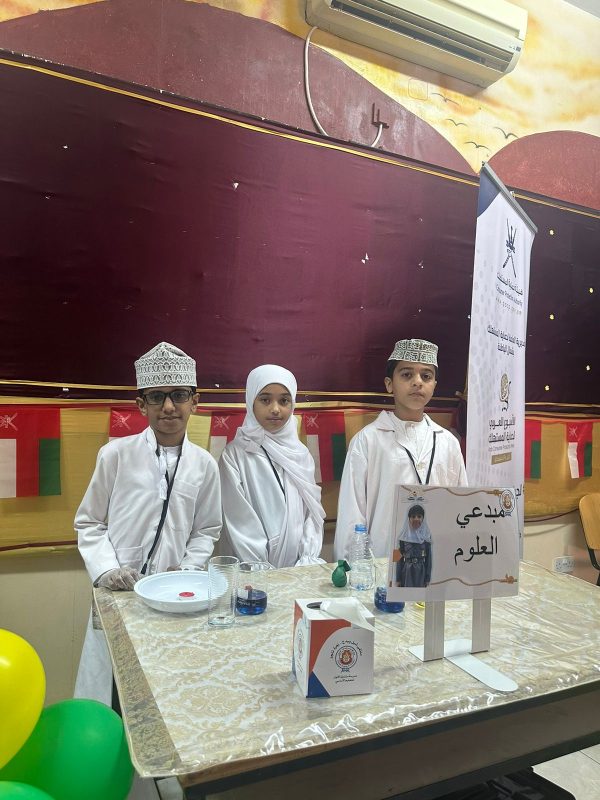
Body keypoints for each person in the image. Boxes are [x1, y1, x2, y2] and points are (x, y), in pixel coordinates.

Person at [74, 342, 222, 705]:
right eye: (157, 397)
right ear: (141, 404)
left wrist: (187, 570)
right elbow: (88, 522)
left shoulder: (205, 464)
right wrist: (107, 571)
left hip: (173, 594)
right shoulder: (114, 455)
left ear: (195, 402)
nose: (168, 406)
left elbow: (206, 530)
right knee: (114, 688)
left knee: (166, 686)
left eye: (179, 395)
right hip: (119, 592)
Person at [334, 338, 467, 559]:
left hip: (438, 562)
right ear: (389, 384)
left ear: (434, 385)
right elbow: (352, 513)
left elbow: (460, 506)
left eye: (426, 376)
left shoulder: (448, 442)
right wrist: (353, 569)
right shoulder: (368, 441)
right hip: (383, 562)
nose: (418, 382)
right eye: (407, 375)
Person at [219, 364, 325, 567]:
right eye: (265, 400)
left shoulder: (301, 454)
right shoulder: (235, 455)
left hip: (299, 569)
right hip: (253, 571)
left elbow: (312, 512)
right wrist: (260, 567)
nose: (275, 409)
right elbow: (239, 520)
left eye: (284, 400)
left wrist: (307, 558)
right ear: (251, 401)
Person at [396, 504, 432, 588]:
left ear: (423, 518)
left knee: (419, 595)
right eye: (413, 516)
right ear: (409, 518)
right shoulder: (402, 536)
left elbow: (429, 559)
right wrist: (398, 578)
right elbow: (398, 559)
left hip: (421, 572)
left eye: (419, 516)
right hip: (407, 572)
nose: (416, 519)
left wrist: (427, 578)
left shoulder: (426, 536)